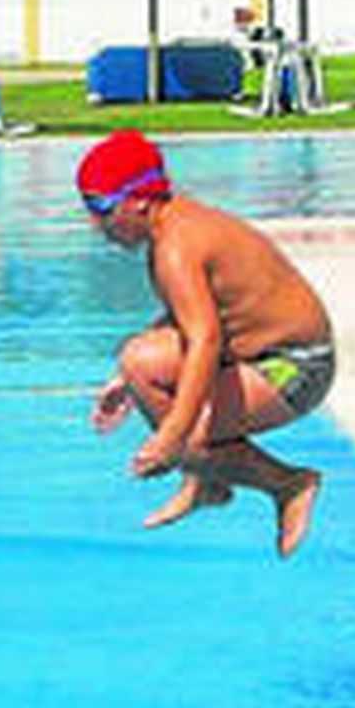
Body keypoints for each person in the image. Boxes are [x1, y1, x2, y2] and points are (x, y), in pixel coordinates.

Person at [80, 130, 333, 555]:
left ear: (139, 201)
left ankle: (288, 484)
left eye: (101, 209)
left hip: (296, 367)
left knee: (190, 442)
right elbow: (191, 312)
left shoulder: (175, 249)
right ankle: (206, 481)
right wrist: (124, 380)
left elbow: (206, 340)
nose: (94, 224)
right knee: (138, 362)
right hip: (261, 351)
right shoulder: (174, 225)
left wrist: (174, 437)